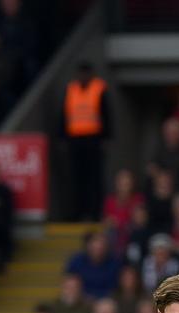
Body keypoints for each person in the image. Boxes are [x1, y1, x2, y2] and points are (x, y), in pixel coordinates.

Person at [61, 62, 111, 222]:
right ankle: (77, 212)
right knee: (76, 179)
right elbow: (64, 115)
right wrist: (63, 137)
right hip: (75, 141)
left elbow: (107, 115)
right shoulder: (71, 89)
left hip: (94, 140)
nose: (83, 77)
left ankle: (95, 213)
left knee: (95, 179)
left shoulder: (99, 89)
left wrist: (105, 138)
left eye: (86, 74)